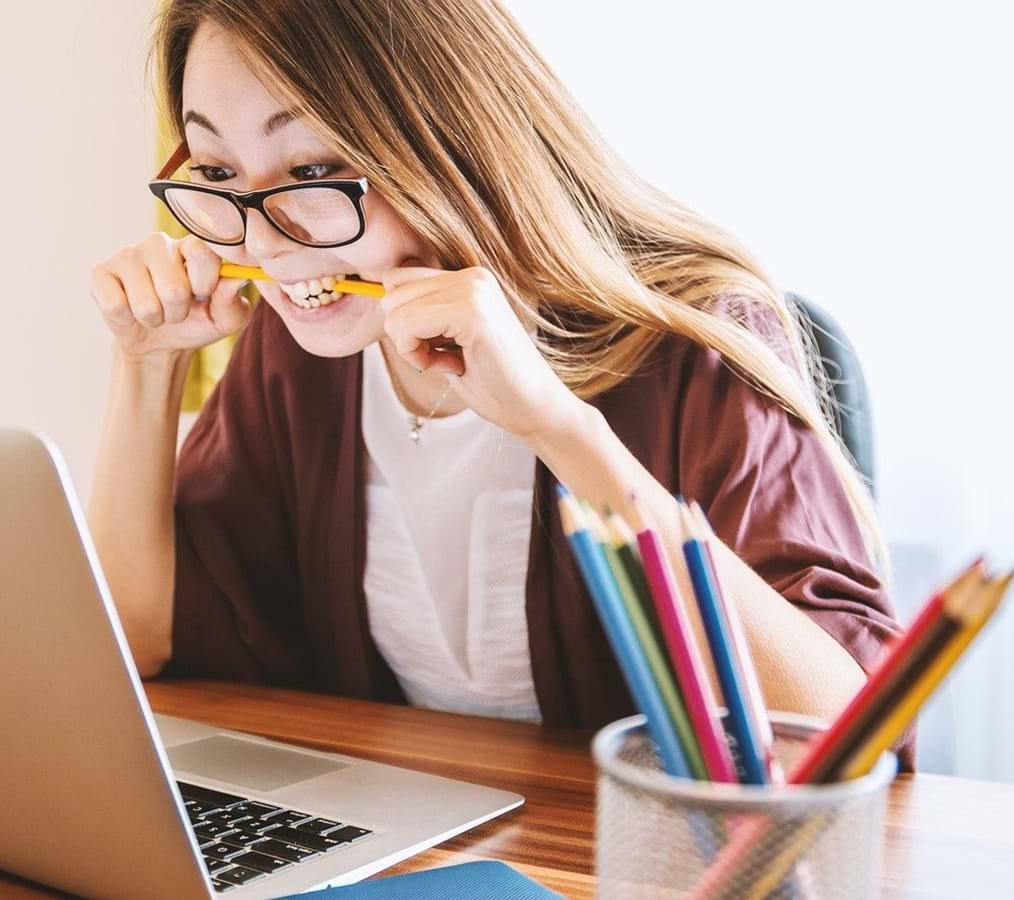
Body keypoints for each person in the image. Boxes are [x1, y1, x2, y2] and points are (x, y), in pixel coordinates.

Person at [89, 0, 911, 763]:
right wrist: (147, 365)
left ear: (448, 142)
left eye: (311, 170)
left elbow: (843, 734)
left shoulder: (693, 343)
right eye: (220, 173)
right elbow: (137, 638)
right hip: (417, 846)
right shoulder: (298, 354)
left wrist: (557, 426)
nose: (267, 244)